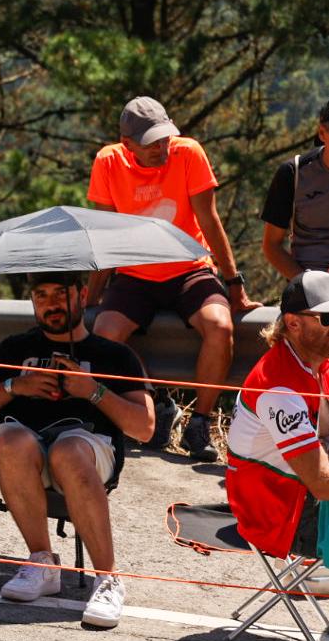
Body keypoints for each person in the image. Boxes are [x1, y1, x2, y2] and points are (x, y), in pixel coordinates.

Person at [0, 272, 154, 629]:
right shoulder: (15, 348)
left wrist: (92, 391)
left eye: (59, 294)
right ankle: (42, 562)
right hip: (22, 443)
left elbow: (145, 426)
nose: (50, 303)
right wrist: (14, 385)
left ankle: (108, 578)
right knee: (13, 442)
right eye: (41, 295)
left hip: (86, 449)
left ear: (81, 296)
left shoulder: (114, 355)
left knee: (68, 451)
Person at [87, 95, 259, 462]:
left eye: (165, 138)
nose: (161, 148)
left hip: (189, 267)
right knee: (104, 333)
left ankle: (201, 421)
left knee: (220, 326)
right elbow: (105, 233)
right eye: (151, 143)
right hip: (134, 272)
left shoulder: (188, 153)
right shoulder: (108, 161)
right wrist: (91, 296)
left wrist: (235, 285)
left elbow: (210, 222)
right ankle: (158, 402)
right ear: (127, 143)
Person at [225, 270, 329, 560]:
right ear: (294, 323)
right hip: (280, 514)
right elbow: (321, 483)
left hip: (297, 490)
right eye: (327, 320)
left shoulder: (316, 361)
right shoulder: (280, 389)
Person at [261, 100, 329, 279]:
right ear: (322, 133)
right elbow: (271, 245)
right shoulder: (294, 173)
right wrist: (304, 283)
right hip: (308, 279)